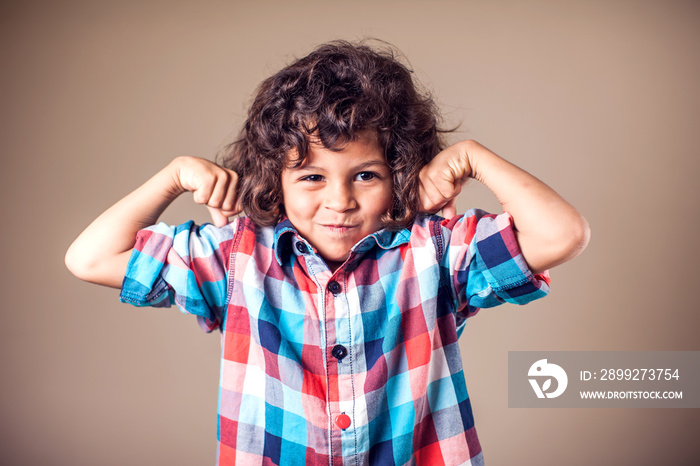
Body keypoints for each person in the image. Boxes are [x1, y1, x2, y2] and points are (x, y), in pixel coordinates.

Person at [65, 40, 590, 465]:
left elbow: (562, 234)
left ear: (399, 174)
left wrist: (471, 158)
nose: (339, 201)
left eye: (365, 175)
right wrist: (173, 175)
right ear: (275, 180)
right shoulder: (234, 258)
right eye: (312, 176)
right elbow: (89, 258)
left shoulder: (436, 252)